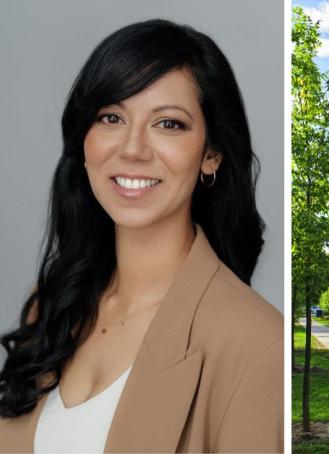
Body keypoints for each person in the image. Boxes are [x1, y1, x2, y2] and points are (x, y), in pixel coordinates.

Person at [0, 20, 283, 452]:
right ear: (84, 139)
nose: (132, 149)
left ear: (211, 154)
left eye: (168, 124)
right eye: (111, 117)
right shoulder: (51, 304)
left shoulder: (259, 345)